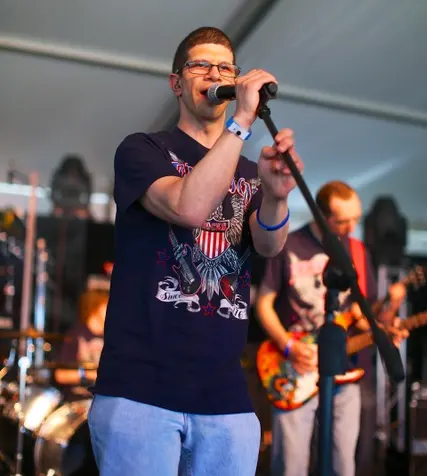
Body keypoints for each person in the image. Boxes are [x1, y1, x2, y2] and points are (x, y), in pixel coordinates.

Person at [88, 26, 304, 476]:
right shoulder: (143, 150)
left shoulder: (247, 168)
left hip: (225, 396)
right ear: (176, 82)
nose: (215, 73)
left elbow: (268, 244)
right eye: (201, 64)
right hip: (140, 391)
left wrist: (278, 194)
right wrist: (240, 124)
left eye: (225, 66)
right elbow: (187, 207)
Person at [256, 180, 407, 476]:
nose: (351, 227)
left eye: (356, 219)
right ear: (322, 217)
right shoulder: (290, 244)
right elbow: (263, 304)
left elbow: (364, 316)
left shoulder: (358, 251)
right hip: (296, 367)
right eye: (343, 220)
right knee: (291, 466)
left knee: (343, 466)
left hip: (346, 370)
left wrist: (389, 319)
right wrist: (289, 346)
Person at [55, 289, 108, 387]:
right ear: (95, 307)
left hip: (103, 398)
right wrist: (86, 374)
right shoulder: (75, 334)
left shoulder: (111, 337)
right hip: (78, 398)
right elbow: (60, 375)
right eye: (107, 306)